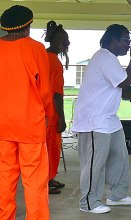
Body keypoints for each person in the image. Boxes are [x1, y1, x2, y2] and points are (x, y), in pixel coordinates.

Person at [71, 24, 131, 214]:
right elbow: (125, 81)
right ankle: (88, 202)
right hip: (94, 120)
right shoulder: (104, 57)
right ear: (113, 40)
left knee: (119, 157)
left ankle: (117, 194)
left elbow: (116, 88)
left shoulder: (109, 59)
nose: (129, 45)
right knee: (94, 164)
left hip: (108, 120)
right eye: (126, 40)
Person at [0, 5, 53, 220]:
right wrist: (48, 114)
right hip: (30, 124)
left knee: (5, 176)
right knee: (34, 180)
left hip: (2, 124)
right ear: (28, 26)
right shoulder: (36, 48)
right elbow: (45, 89)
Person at [44, 20, 70, 194]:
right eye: (65, 42)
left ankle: (48, 179)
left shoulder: (40, 56)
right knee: (51, 150)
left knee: (44, 150)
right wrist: (61, 118)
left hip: (39, 113)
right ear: (56, 42)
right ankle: (46, 181)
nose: (66, 45)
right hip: (51, 115)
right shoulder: (54, 62)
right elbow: (57, 94)